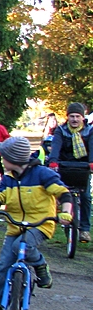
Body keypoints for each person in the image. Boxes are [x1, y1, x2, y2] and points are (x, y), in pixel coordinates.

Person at [0, 136, 72, 310]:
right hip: (16, 225)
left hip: (40, 224)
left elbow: (63, 193)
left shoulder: (43, 174)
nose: (1, 160)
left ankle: (40, 266)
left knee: (22, 246)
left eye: (3, 157)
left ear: (13, 159)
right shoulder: (9, 178)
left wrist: (66, 213)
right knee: (3, 264)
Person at [45, 102, 93, 243]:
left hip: (83, 167)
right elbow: (56, 146)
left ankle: (84, 229)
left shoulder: (89, 131)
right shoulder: (61, 130)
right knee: (61, 194)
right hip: (64, 165)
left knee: (85, 196)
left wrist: (91, 163)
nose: (74, 119)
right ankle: (60, 220)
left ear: (82, 118)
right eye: (71, 116)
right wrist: (53, 161)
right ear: (67, 117)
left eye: (77, 116)